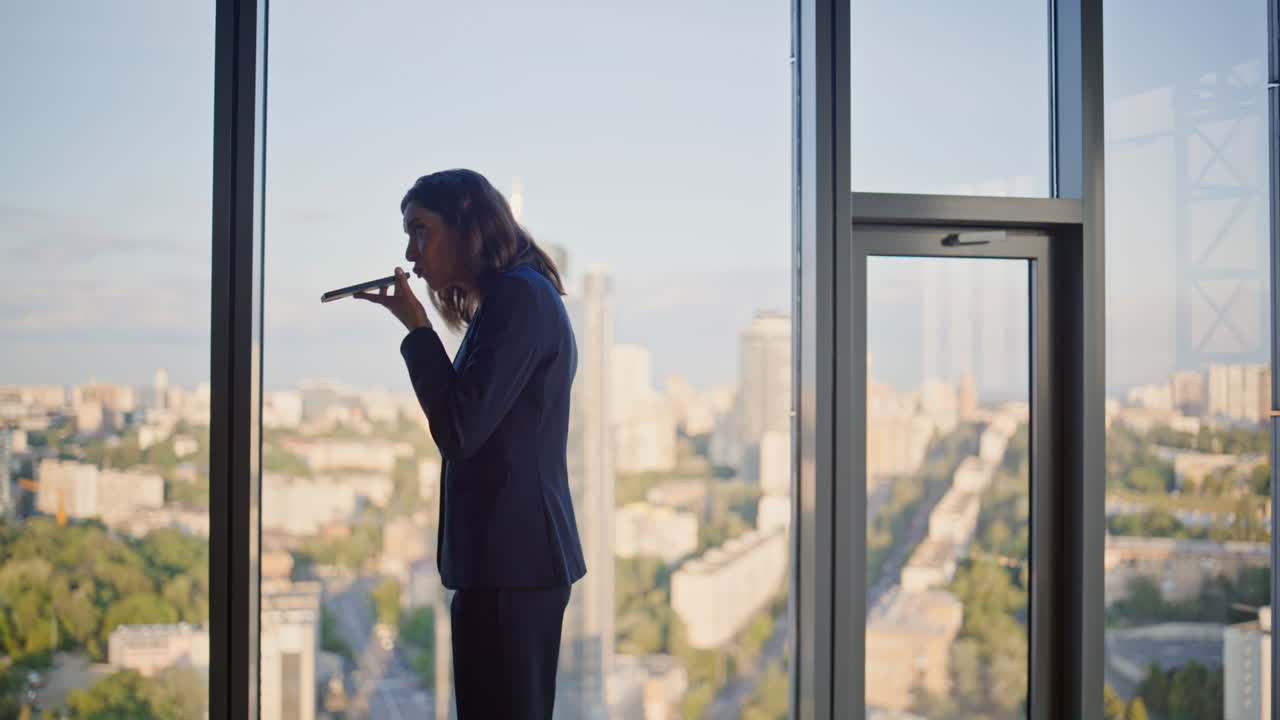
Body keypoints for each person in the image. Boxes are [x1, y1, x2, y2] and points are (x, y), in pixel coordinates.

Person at [356, 168, 586, 719]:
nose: (411, 254)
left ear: (466, 228)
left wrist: (417, 331)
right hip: (507, 564)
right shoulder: (513, 298)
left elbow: (459, 429)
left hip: (514, 565)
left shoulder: (519, 297)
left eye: (421, 231)